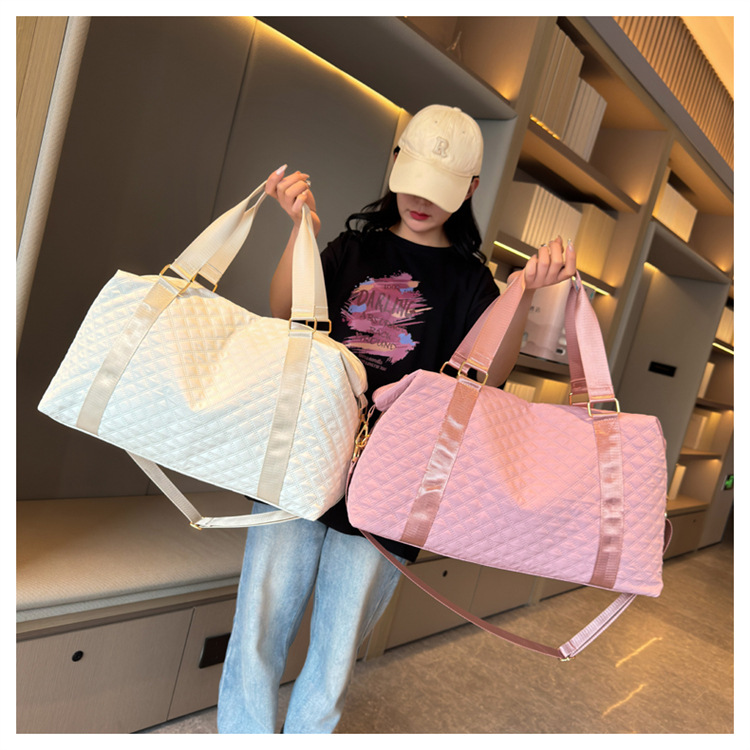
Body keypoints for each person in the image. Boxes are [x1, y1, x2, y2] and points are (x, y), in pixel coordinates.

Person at [217, 104, 576, 734]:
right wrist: (300, 230)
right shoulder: (354, 248)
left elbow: (489, 376)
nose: (420, 200)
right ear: (395, 164)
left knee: (336, 649)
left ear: (470, 188)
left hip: (396, 478)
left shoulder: (471, 283)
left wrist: (522, 291)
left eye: (440, 189)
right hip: (306, 451)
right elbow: (286, 313)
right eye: (412, 181)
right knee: (258, 624)